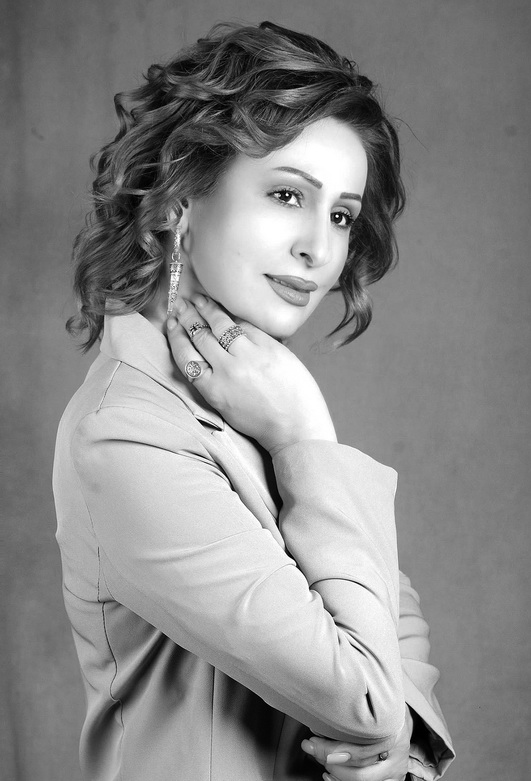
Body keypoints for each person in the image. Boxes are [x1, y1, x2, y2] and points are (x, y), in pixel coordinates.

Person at [53, 20, 455, 781]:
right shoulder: (126, 435)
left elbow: (393, 627)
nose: (319, 248)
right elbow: (366, 698)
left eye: (340, 214)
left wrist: (397, 757)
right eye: (286, 194)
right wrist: (307, 437)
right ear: (177, 200)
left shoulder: (252, 405)